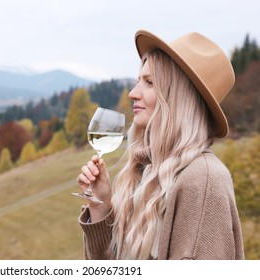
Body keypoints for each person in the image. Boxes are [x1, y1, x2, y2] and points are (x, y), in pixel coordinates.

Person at [76, 30, 245, 260]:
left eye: (150, 82)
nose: (133, 93)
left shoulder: (203, 181)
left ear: (178, 97)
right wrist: (101, 207)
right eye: (138, 80)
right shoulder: (147, 172)